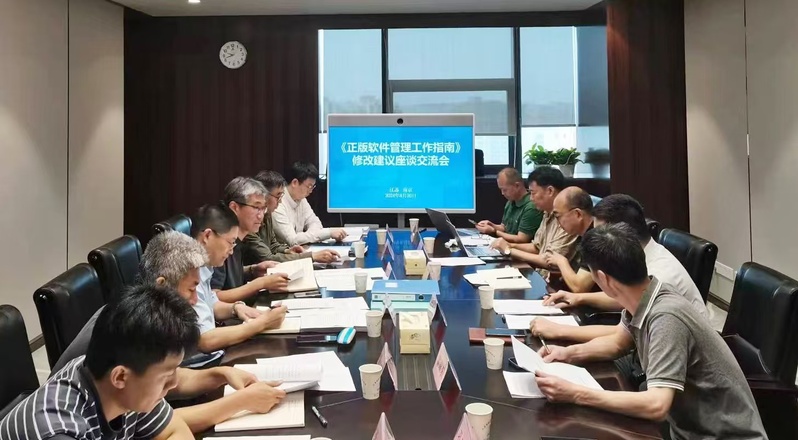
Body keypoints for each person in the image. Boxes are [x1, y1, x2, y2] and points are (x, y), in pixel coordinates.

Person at [534, 224, 767, 439]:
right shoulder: (644, 295)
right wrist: (568, 353)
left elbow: (656, 405)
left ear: (604, 279)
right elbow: (617, 343)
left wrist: (576, 394)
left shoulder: (667, 317)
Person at [50, 234, 286, 433]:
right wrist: (241, 401)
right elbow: (162, 409)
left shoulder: (148, 319)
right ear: (162, 284)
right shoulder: (131, 331)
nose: (195, 300)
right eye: (192, 289)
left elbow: (168, 387)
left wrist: (222, 373)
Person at [0, 285, 197, 439]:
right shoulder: (59, 430)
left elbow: (176, 431)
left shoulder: (124, 384)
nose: (174, 383)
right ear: (120, 377)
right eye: (166, 375)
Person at [189, 205, 289, 355]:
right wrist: (262, 323)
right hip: (198, 361)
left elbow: (211, 303)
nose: (231, 251)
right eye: (230, 242)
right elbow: (205, 340)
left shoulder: (205, 265)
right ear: (207, 236)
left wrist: (235, 308)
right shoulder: (187, 271)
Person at [238, 172, 339, 270]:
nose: (280, 201)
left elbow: (273, 245)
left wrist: (287, 250)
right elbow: (268, 257)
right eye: (278, 196)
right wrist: (312, 256)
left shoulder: (267, 215)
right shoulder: (248, 222)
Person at [490, 167, 578, 268]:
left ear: (550, 191)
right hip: (539, 272)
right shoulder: (547, 213)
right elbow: (536, 247)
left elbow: (550, 261)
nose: (531, 198)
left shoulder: (567, 218)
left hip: (550, 276)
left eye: (533, 193)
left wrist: (509, 250)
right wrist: (509, 245)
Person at [271, 161, 346, 245]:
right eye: (309, 186)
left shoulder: (301, 199)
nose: (311, 191)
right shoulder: (277, 204)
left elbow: (315, 223)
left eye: (313, 187)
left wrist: (308, 236)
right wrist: (328, 233)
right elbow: (292, 240)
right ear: (295, 183)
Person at [542, 186, 596, 293]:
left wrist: (561, 261)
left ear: (578, 214)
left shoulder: (596, 239)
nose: (558, 224)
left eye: (558, 216)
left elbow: (579, 287)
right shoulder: (582, 235)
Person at [476, 167, 542, 243]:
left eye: (504, 190)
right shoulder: (511, 202)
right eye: (501, 190)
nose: (502, 193)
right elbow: (504, 227)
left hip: (517, 247)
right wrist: (491, 225)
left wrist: (494, 231)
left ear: (517, 186)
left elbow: (522, 239)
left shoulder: (531, 207)